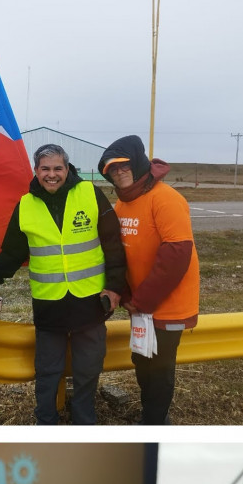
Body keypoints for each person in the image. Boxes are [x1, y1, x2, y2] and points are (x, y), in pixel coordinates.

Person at [0, 144, 127, 424]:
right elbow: (11, 255)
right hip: (49, 304)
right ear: (36, 171)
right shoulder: (26, 205)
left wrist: (115, 287)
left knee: (88, 368)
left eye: (58, 168)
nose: (52, 174)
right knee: (47, 370)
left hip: (90, 301)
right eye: (45, 169)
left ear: (67, 169)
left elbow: (113, 245)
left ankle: (84, 420)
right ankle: (46, 421)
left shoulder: (90, 194)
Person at [98, 135, 200, 425]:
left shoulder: (166, 199)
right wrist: (128, 297)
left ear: (138, 162)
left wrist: (140, 301)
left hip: (167, 306)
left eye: (123, 165)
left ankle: (155, 423)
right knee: (142, 361)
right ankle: (151, 415)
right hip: (140, 306)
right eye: (110, 169)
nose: (117, 172)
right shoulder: (122, 205)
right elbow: (121, 255)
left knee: (159, 367)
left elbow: (177, 255)